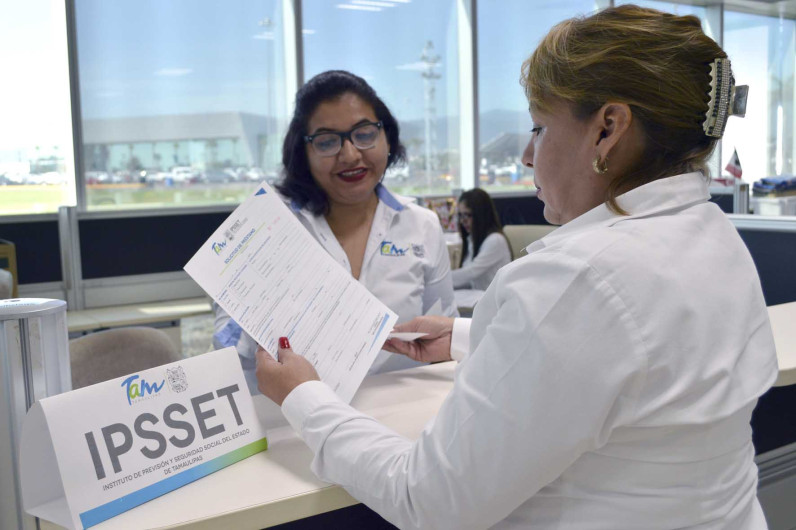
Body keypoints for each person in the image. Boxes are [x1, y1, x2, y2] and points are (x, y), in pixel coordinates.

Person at [255, 6, 778, 529]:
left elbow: (427, 500)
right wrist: (467, 337)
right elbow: (619, 361)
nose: (528, 155)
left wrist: (306, 398)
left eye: (540, 127)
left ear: (608, 130)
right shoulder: (710, 235)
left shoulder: (578, 278)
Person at [213, 70, 457, 393]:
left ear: (387, 137)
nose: (350, 154)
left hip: (403, 417)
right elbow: (228, 354)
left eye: (365, 134)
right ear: (304, 153)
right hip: (294, 421)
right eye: (327, 141)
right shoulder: (268, 226)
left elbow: (446, 347)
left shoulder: (421, 225)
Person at [451, 188, 512, 291]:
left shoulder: (495, 240)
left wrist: (439, 279)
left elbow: (471, 272)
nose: (463, 221)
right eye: (461, 215)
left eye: (467, 215)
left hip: (493, 301)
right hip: (478, 296)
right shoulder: (473, 239)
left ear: (481, 215)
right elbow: (468, 279)